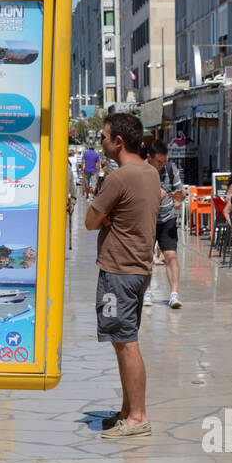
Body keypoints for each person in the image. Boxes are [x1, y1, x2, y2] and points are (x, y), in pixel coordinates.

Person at [86, 113, 160, 439]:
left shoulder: (120, 177)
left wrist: (105, 218)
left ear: (118, 141)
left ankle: (137, 416)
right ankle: (128, 410)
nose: (100, 142)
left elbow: (90, 220)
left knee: (126, 343)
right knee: (122, 341)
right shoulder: (150, 172)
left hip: (119, 270)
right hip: (138, 269)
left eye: (103, 137)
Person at [141, 140, 183, 309]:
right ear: (149, 157)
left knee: (171, 255)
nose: (161, 165)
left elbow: (181, 193)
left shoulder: (171, 169)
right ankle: (147, 292)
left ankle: (174, 294)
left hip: (168, 218)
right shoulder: (141, 171)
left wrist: (179, 197)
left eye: (163, 161)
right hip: (147, 219)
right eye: (158, 162)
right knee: (146, 257)